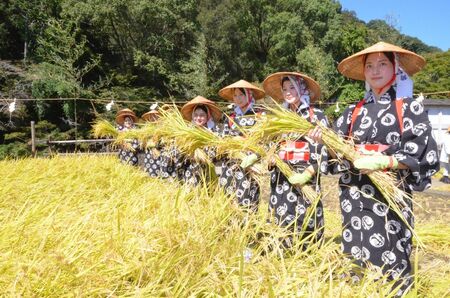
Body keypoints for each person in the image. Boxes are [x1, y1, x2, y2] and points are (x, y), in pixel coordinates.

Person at [309, 42, 439, 296]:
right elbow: (335, 157)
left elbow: (423, 151)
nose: (375, 70)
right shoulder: (352, 112)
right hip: (353, 197)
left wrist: (386, 162)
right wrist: (324, 141)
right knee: (355, 255)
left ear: (395, 68)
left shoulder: (408, 107)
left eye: (382, 64)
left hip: (389, 199)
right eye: (370, 65)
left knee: (391, 255)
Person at [262, 72, 329, 247]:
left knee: (306, 214)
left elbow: (327, 148)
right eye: (285, 89)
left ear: (302, 88)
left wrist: (308, 172)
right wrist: (271, 158)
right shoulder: (280, 119)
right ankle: (281, 248)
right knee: (281, 213)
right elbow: (273, 145)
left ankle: (308, 249)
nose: (288, 91)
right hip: (282, 176)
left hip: (305, 174)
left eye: (292, 87)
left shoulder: (317, 116)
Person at [217, 80, 265, 211]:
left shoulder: (260, 115)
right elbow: (224, 137)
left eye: (241, 95)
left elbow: (265, 139)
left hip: (250, 164)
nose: (238, 99)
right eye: (235, 95)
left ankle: (248, 229)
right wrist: (231, 141)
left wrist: (255, 155)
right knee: (229, 199)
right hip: (231, 162)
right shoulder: (230, 116)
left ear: (249, 95)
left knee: (247, 199)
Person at [179, 96, 222, 185]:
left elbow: (218, 151)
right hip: (190, 170)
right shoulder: (187, 132)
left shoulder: (214, 132)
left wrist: (203, 154)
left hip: (208, 170)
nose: (198, 118)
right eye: (196, 115)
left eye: (202, 115)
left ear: (208, 116)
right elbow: (181, 150)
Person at [141, 107, 161, 177]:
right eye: (151, 116)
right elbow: (143, 142)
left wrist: (155, 144)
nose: (153, 118)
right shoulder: (146, 129)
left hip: (158, 153)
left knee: (159, 172)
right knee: (149, 172)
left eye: (155, 116)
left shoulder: (162, 128)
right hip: (149, 154)